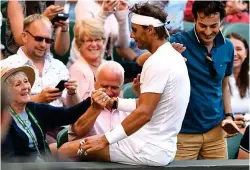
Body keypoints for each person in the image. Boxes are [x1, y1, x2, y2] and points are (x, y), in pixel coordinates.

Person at [55, 2, 190, 166]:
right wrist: (115, 103)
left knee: (65, 151)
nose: (132, 36)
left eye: (135, 30)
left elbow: (144, 113)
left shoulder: (157, 62)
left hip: (148, 148)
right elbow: (143, 104)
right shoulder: (171, 56)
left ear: (150, 30)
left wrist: (105, 139)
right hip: (159, 147)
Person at [167, 1, 239, 160]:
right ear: (194, 19)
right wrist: (167, 56)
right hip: (183, 134)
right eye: (202, 25)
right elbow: (143, 60)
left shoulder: (228, 47)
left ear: (221, 22)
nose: (208, 32)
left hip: (216, 132)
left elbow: (224, 85)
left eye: (213, 26)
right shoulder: (178, 41)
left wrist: (228, 116)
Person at [0, 65, 107, 162]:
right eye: (18, 84)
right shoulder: (3, 118)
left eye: (26, 81)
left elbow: (67, 114)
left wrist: (91, 100)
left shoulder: (33, 108)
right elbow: (9, 158)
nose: (25, 87)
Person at [0, 14, 78, 107]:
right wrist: (38, 99)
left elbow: (71, 109)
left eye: (48, 40)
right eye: (39, 39)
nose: (43, 45)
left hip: (60, 120)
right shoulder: (7, 66)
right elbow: (3, 107)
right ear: (25, 37)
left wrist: (72, 93)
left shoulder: (59, 67)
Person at [58, 61, 129, 160]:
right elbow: (76, 134)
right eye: (104, 86)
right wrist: (95, 109)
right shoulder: (82, 104)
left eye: (114, 87)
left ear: (122, 86)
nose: (108, 92)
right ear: (95, 81)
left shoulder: (128, 108)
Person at [67, 0, 130, 68]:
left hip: (104, 66)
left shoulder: (114, 5)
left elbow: (123, 45)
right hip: (81, 66)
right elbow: (87, 36)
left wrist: (122, 19)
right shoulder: (84, 3)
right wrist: (103, 14)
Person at [4, 0, 70, 58]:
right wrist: (43, 18)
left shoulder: (57, 4)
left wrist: (64, 29)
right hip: (19, 59)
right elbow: (21, 40)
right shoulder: (17, 2)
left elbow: (61, 51)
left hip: (46, 60)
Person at [69, 18, 106, 100]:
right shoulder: (77, 70)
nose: (93, 44)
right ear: (79, 44)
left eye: (97, 39)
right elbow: (80, 107)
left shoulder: (108, 66)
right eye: (88, 40)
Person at [226, 32, 249, 132]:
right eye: (230, 49)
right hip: (225, 131)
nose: (234, 53)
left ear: (246, 53)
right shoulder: (215, 80)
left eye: (239, 49)